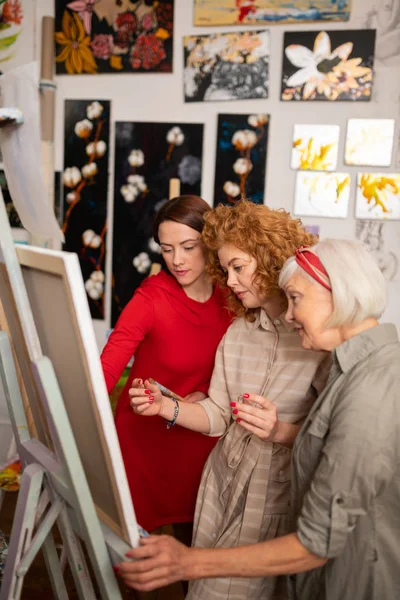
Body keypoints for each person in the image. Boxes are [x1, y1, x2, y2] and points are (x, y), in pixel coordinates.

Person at [117, 239, 400, 600]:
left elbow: (316, 540)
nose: (290, 314)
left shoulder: (369, 390)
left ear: (339, 294)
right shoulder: (360, 368)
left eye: (296, 298)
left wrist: (187, 563)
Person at [128, 201, 330, 599]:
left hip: (278, 491)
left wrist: (280, 430)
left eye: (239, 267)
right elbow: (220, 415)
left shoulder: (317, 338)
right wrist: (164, 406)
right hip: (221, 482)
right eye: (225, 269)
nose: (231, 281)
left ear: (270, 257)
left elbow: (336, 437)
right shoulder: (239, 333)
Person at [101, 195, 232, 548]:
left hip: (198, 441)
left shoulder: (231, 298)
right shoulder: (151, 298)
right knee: (138, 555)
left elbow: (232, 367)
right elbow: (109, 364)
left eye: (188, 247)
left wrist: (207, 391)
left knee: (197, 546)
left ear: (210, 243)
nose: (176, 260)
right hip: (144, 441)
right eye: (167, 248)